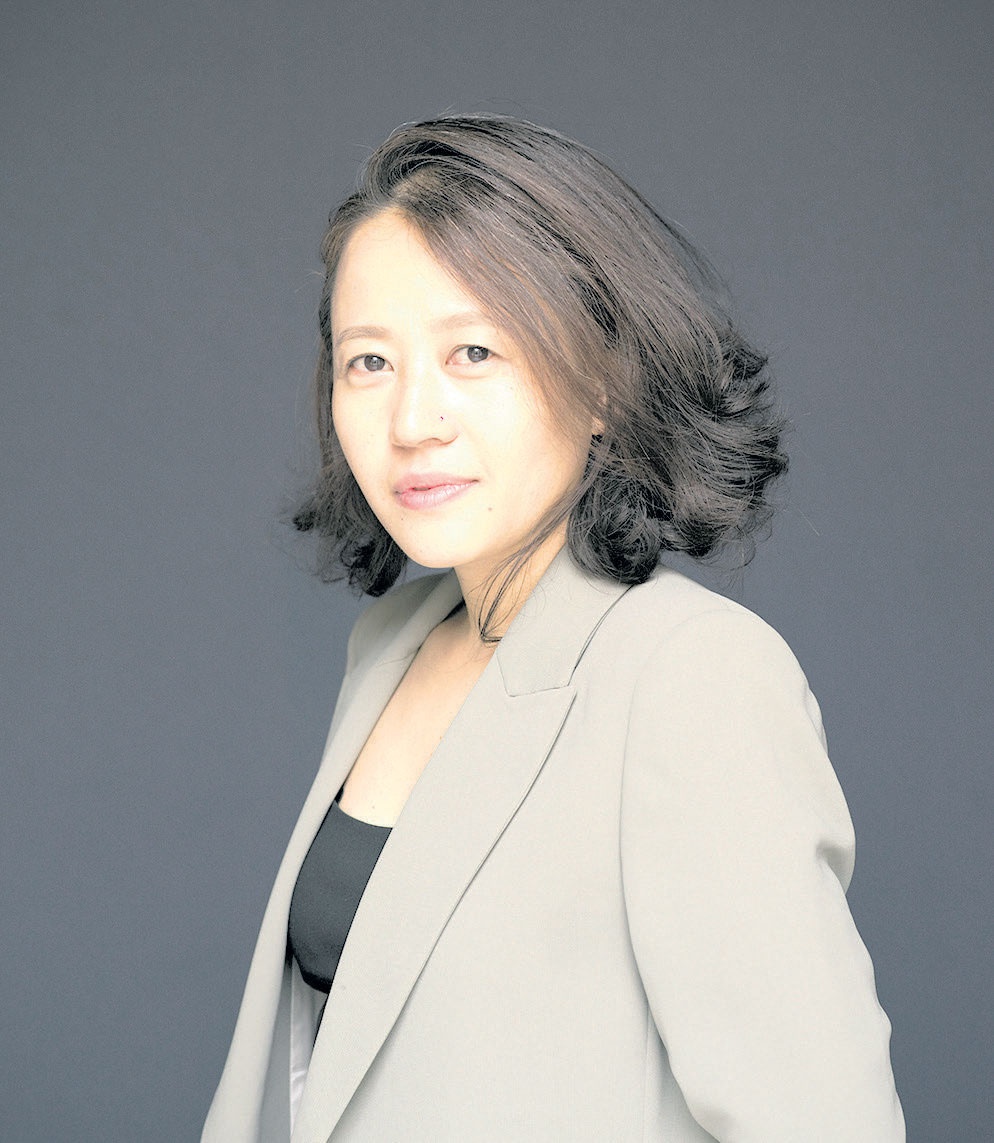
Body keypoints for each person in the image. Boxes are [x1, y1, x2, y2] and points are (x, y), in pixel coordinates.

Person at [202, 115, 905, 1142]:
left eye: (474, 351)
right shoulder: (393, 641)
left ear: (604, 384)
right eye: (369, 362)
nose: (413, 421)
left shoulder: (690, 675)